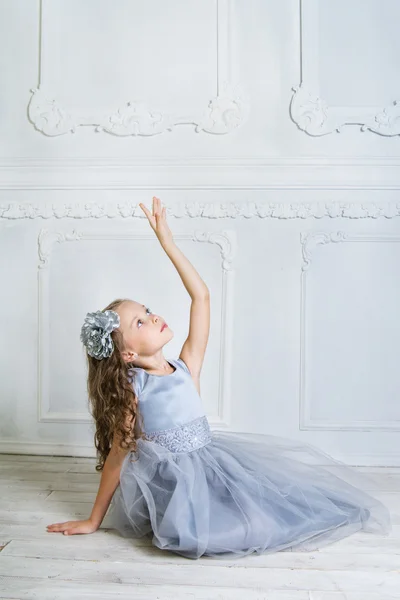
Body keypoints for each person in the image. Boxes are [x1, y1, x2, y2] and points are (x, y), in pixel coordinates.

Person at [47, 196, 391, 559]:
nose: (152, 316)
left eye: (147, 310)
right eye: (140, 322)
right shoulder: (135, 389)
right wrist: (93, 519)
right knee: (210, 534)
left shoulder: (186, 366)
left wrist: (168, 243)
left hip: (215, 467)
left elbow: (202, 297)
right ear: (127, 354)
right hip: (179, 485)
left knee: (274, 509)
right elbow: (118, 454)